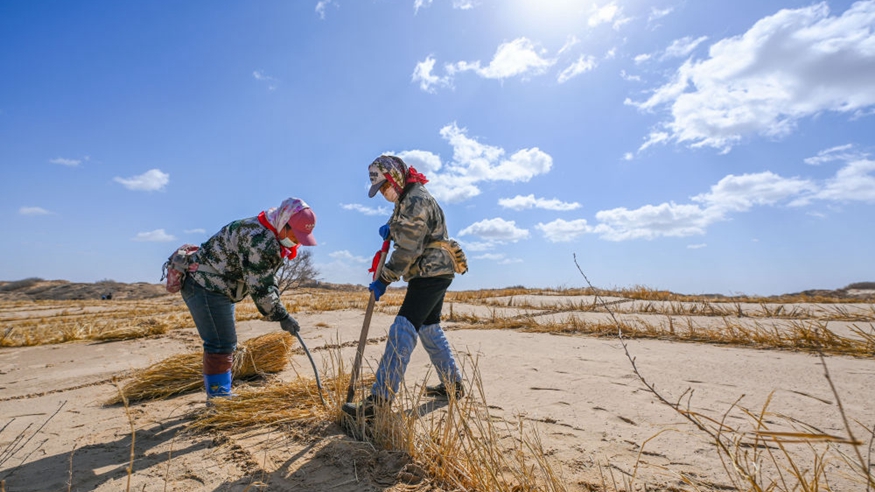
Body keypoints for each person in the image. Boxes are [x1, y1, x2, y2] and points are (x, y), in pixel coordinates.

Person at [342, 155, 464, 419]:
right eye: (380, 189)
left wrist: (384, 279)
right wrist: (392, 228)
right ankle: (453, 385)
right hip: (435, 271)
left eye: (385, 186)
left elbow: (408, 250)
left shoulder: (415, 199)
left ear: (396, 178)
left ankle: (378, 402)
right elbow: (405, 228)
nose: (384, 192)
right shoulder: (407, 198)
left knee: (403, 328)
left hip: (430, 271)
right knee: (429, 328)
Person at [181, 197, 317, 403]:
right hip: (205, 286)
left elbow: (267, 278)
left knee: (225, 343)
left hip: (219, 287)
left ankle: (220, 395)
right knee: (221, 344)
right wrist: (282, 316)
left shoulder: (270, 232)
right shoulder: (259, 240)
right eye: (295, 235)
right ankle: (219, 400)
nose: (296, 241)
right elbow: (261, 287)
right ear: (284, 223)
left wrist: (279, 309)